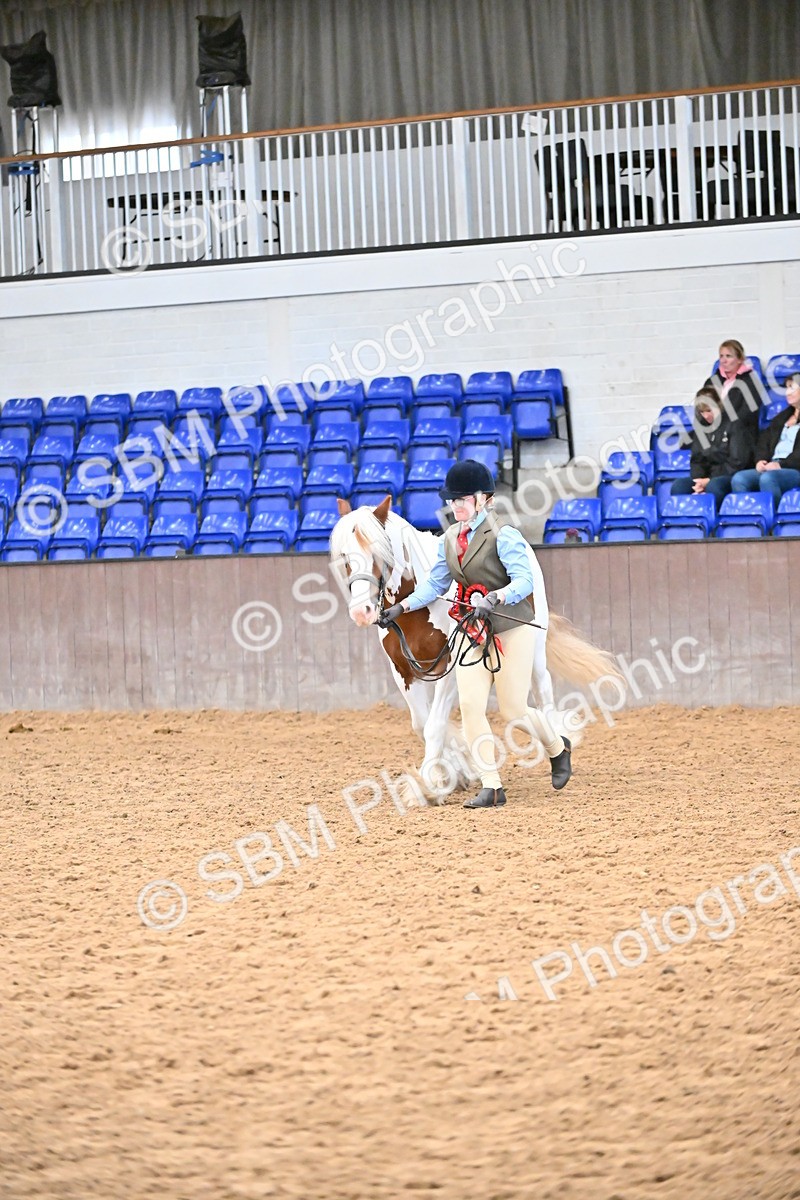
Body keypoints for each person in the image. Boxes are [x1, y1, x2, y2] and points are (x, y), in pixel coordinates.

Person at [379, 460, 571, 809]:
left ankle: (557, 748)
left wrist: (496, 596)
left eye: (463, 499)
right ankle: (492, 786)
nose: (456, 506)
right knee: (469, 707)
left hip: (510, 627)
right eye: (452, 501)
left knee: (514, 709)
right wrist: (402, 608)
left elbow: (523, 581)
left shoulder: (504, 536)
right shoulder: (449, 539)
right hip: (471, 628)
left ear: (484, 499)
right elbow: (435, 585)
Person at [670, 386, 755, 506]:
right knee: (679, 486)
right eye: (702, 412)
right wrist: (698, 481)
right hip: (707, 478)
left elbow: (738, 461)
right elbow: (697, 460)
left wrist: (709, 480)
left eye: (709, 410)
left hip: (729, 476)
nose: (706, 416)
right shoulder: (701, 430)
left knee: (714, 486)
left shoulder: (735, 425)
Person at [730, 373, 800, 504]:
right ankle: (750, 518)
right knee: (739, 479)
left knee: (768, 479)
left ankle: (773, 518)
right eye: (786, 388)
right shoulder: (781, 418)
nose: (787, 392)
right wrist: (760, 460)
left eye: (792, 387)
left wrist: (780, 465)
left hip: (794, 468)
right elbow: (764, 441)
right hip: (772, 465)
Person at [704, 338, 764, 436]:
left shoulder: (751, 382)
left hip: (740, 433)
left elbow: (749, 413)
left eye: (728, 356)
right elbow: (702, 407)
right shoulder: (711, 381)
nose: (724, 360)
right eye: (721, 356)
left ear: (740, 359)